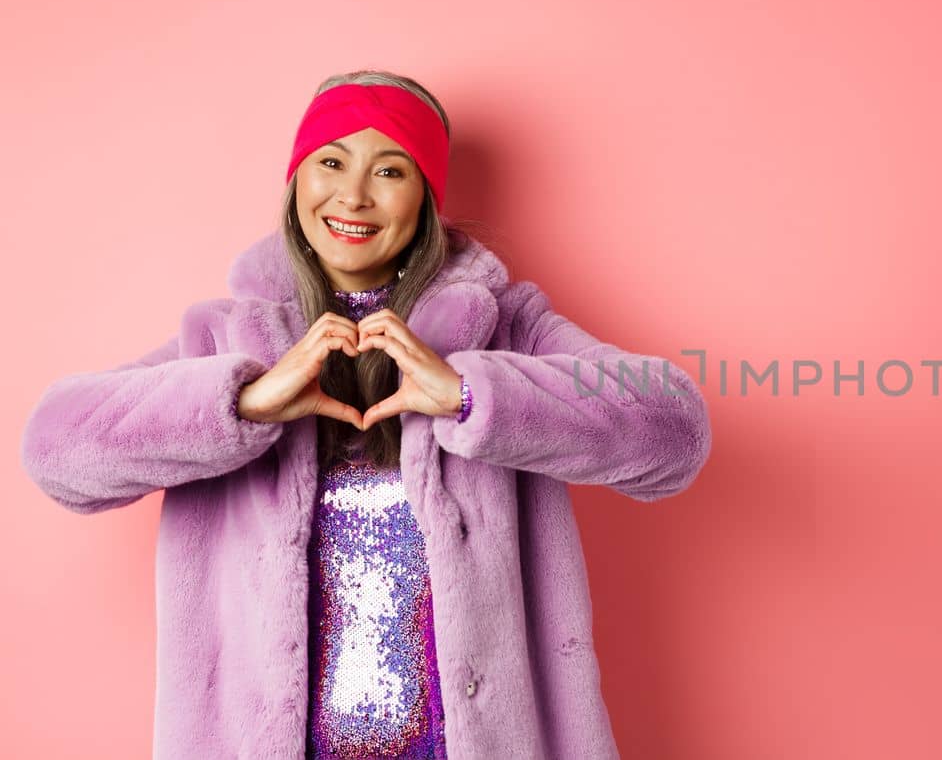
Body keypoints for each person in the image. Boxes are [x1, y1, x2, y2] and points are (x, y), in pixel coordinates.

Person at [19, 69, 713, 759]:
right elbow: (56, 450)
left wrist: (472, 394)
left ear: (425, 199)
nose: (352, 193)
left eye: (390, 169)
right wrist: (242, 401)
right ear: (298, 184)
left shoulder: (507, 328)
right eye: (330, 161)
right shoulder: (225, 339)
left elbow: (673, 429)